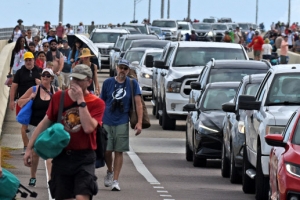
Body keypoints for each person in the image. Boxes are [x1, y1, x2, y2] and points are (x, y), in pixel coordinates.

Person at [24, 64, 105, 200]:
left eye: (80, 80)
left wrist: (81, 101)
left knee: (82, 196)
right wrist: (29, 148)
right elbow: (44, 123)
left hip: (84, 157)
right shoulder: (59, 97)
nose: (76, 83)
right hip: (62, 156)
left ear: (89, 81)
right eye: (74, 79)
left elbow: (88, 128)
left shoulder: (97, 103)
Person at [100, 59, 142, 191]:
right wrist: (98, 120)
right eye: (121, 67)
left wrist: (139, 122)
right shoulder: (108, 82)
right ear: (116, 68)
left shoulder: (132, 83)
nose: (122, 70)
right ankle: (110, 171)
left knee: (119, 151)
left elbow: (138, 103)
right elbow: (101, 102)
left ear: (128, 70)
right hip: (107, 120)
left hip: (122, 121)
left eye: (125, 68)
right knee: (107, 150)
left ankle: (116, 180)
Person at [18, 68, 59, 187]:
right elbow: (20, 102)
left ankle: (51, 179)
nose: (45, 77)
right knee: (35, 153)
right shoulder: (34, 89)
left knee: (49, 154)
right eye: (43, 75)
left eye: (48, 75)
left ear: (52, 78)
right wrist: (30, 97)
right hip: (34, 126)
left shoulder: (56, 91)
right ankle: (33, 176)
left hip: (49, 126)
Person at [9, 52, 42, 154]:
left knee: (37, 124)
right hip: (23, 101)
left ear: (33, 60)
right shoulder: (19, 72)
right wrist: (11, 101)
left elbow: (46, 85)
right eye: (26, 60)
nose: (28, 62)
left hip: (36, 102)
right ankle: (26, 146)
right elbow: (14, 87)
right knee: (24, 124)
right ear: (24, 61)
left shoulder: (39, 71)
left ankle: (35, 145)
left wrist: (39, 83)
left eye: (30, 60)